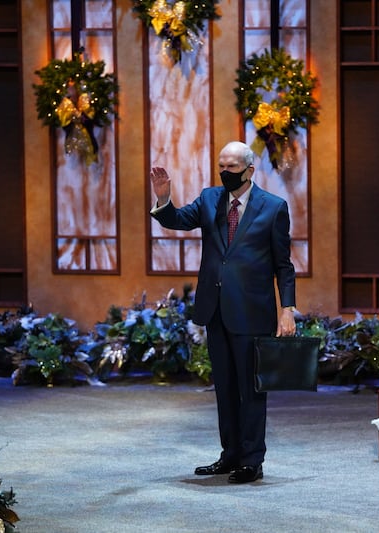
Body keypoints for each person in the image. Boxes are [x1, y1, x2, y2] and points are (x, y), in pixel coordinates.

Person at [149, 141, 297, 484]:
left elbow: (283, 265)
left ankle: (251, 460)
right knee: (226, 388)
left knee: (251, 389)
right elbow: (177, 220)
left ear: (249, 170)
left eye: (231, 167)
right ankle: (230, 455)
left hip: (252, 312)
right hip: (216, 311)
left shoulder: (273, 208)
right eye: (221, 166)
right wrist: (163, 198)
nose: (224, 172)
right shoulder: (210, 198)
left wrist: (286, 309)